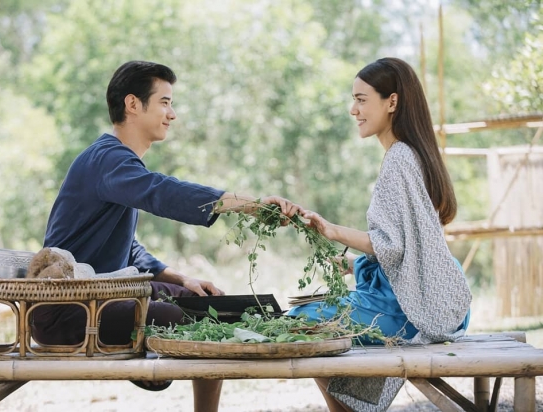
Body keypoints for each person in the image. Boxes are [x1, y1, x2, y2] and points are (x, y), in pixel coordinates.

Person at [31, 60, 302, 412]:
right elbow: (162, 191)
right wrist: (249, 205)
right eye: (164, 102)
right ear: (132, 104)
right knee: (201, 318)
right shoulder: (107, 160)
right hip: (67, 312)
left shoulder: (115, 161)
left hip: (103, 297)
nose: (172, 114)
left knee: (201, 300)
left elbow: (128, 249)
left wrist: (181, 278)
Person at [287, 57, 472, 412]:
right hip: (435, 298)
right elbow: (409, 249)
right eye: (352, 99)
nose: (353, 109)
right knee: (315, 318)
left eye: (361, 99)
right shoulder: (414, 154)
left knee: (301, 321)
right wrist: (355, 265)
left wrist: (332, 229)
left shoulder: (399, 159)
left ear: (392, 101)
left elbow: (392, 247)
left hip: (411, 309)